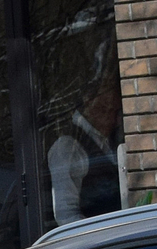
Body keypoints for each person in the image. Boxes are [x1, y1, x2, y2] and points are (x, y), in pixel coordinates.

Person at [49, 79, 126, 226]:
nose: (115, 121)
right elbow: (66, 217)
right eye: (107, 110)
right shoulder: (68, 147)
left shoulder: (106, 140)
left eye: (116, 112)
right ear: (89, 103)